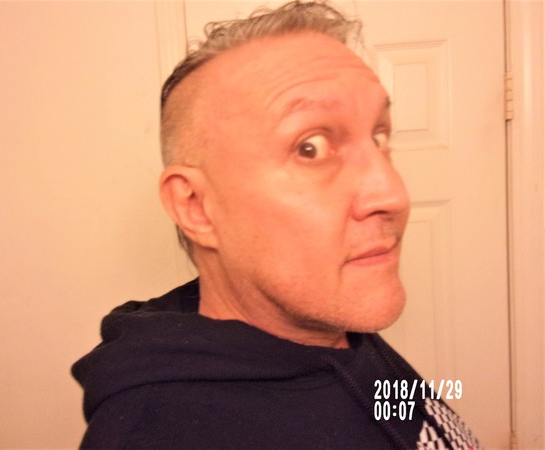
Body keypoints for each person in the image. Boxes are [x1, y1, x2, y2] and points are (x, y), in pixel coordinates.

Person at [73, 1, 481, 448]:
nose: (393, 196)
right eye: (310, 147)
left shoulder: (333, 324)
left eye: (378, 136)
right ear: (196, 206)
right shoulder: (161, 434)